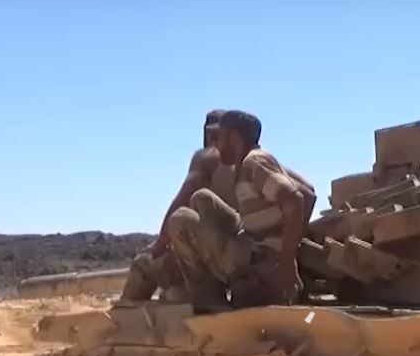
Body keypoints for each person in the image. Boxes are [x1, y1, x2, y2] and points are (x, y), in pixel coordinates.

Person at [167, 110, 316, 308]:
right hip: (250, 245)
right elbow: (309, 195)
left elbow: (295, 200)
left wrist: (286, 262)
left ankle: (209, 301)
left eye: (219, 138)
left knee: (180, 220)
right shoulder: (249, 163)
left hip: (258, 262)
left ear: (234, 139)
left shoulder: (254, 163)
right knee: (201, 199)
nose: (216, 145)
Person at [121, 110, 238, 302]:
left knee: (144, 263)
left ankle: (124, 316)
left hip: (219, 257)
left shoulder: (207, 157)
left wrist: (159, 245)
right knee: (174, 292)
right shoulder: (254, 160)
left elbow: (182, 200)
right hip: (243, 256)